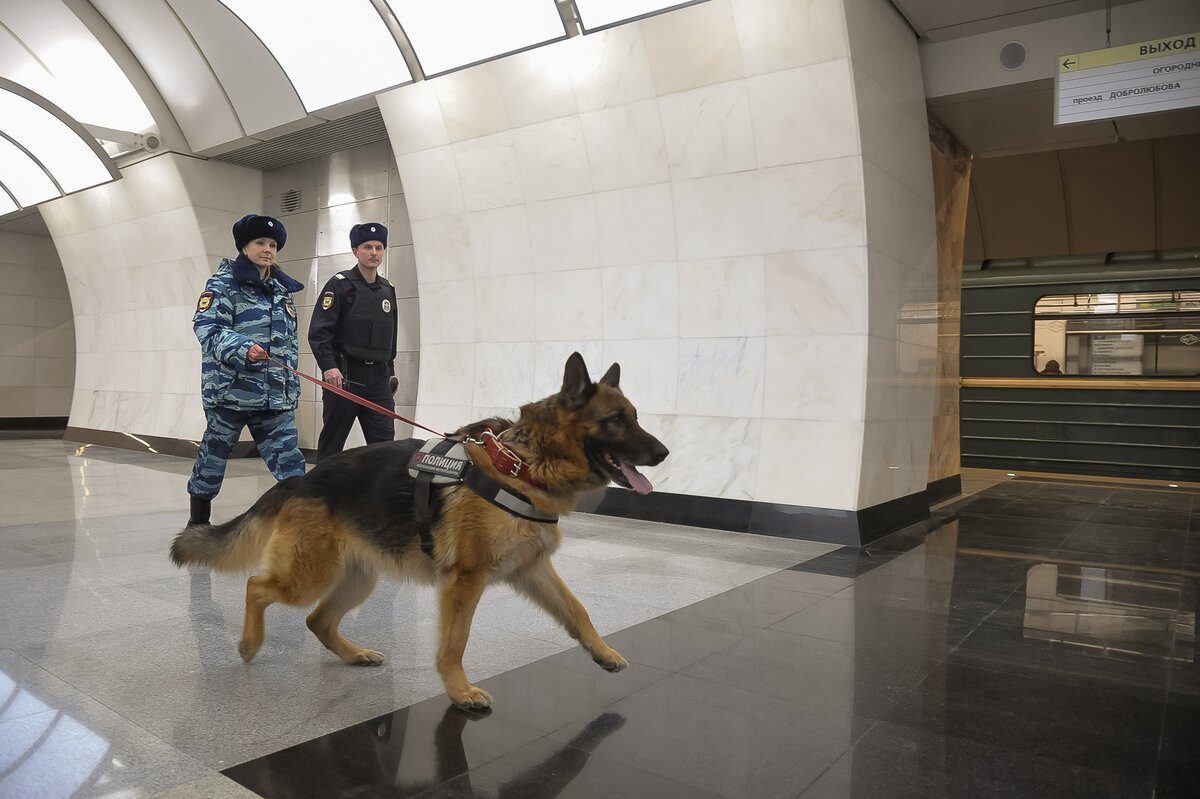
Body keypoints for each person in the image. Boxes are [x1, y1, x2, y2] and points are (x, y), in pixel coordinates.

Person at [186, 214, 306, 525]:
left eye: (273, 244)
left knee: (292, 467)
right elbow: (206, 328)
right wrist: (243, 349)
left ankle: (300, 526)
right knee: (212, 460)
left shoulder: (282, 290)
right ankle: (198, 522)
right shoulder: (223, 285)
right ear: (244, 247)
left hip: (275, 398)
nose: (268, 249)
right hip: (230, 393)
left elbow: (289, 344)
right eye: (260, 243)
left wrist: (289, 383)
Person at [308, 222, 400, 461]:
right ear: (355, 250)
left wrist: (390, 371)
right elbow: (319, 332)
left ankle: (378, 497)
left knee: (385, 446)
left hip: (379, 380)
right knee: (332, 444)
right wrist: (329, 366)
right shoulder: (341, 285)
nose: (374, 253)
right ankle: (320, 495)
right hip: (345, 377)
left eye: (379, 247)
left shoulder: (387, 290)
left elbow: (391, 336)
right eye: (367, 247)